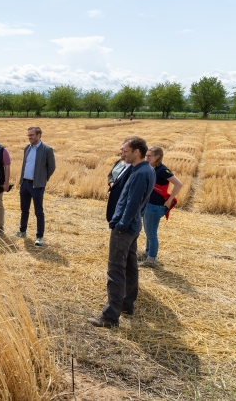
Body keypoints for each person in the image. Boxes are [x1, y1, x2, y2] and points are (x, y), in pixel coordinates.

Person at [88, 136, 156, 328]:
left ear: (136, 152)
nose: (121, 153)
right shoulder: (144, 169)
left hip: (125, 228)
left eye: (124, 150)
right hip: (133, 226)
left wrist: (120, 224)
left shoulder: (140, 173)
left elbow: (132, 202)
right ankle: (127, 304)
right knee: (130, 266)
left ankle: (110, 316)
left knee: (116, 270)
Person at [139, 146, 183, 268]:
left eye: (149, 156)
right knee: (148, 231)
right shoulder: (151, 168)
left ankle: (151, 261)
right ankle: (147, 253)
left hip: (155, 207)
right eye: (146, 155)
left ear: (157, 156)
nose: (146, 158)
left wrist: (169, 200)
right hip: (149, 205)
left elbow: (179, 184)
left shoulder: (162, 170)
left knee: (151, 233)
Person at [13, 126, 55, 245]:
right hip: (25, 183)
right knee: (24, 210)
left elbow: (52, 167)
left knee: (39, 212)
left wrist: (43, 178)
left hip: (37, 185)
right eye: (28, 135)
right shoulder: (27, 148)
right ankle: (22, 231)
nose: (29, 137)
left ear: (39, 135)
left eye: (31, 135)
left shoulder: (47, 149)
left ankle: (39, 236)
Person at [106, 141, 132, 222]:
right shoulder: (118, 162)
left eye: (124, 150)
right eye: (121, 149)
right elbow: (110, 175)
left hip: (122, 195)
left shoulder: (131, 166)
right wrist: (112, 184)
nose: (121, 152)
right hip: (113, 192)